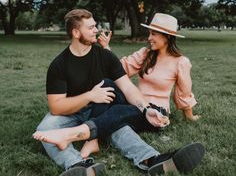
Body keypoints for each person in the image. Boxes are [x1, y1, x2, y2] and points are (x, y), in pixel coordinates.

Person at [34, 9, 205, 176]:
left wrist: (146, 109)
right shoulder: (59, 65)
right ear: (76, 33)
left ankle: (152, 160)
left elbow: (128, 87)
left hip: (103, 108)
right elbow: (56, 107)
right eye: (91, 27)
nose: (97, 30)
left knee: (115, 120)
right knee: (45, 128)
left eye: (95, 26)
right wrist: (89, 96)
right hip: (73, 110)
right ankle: (77, 165)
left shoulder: (106, 57)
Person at [78, 12, 200, 159]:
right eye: (150, 33)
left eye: (154, 34)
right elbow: (119, 71)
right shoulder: (145, 54)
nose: (149, 38)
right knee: (107, 84)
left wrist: (190, 116)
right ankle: (93, 139)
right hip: (135, 103)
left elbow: (183, 94)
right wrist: (106, 47)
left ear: (167, 36)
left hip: (155, 114)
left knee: (117, 110)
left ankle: (86, 136)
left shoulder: (180, 62)